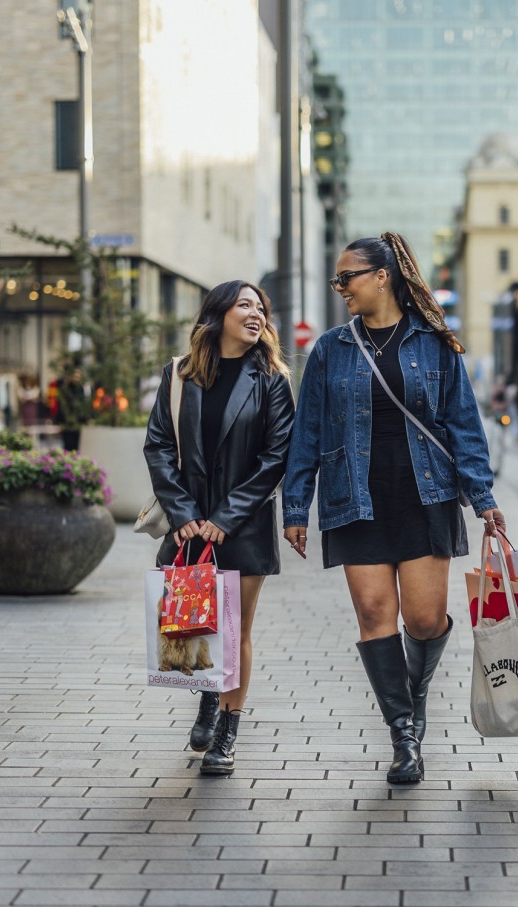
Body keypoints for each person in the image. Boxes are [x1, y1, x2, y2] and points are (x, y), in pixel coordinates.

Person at [282, 231, 504, 785]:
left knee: (425, 620)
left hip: (424, 496)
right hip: (353, 499)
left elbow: (464, 427)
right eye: (337, 280)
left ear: (382, 276)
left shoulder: (434, 343)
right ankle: (404, 734)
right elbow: (306, 432)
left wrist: (484, 500)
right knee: (374, 615)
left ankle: (413, 690)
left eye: (347, 278)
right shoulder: (331, 349)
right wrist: (294, 506)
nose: (341, 289)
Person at [143, 280, 295, 776]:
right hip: (188, 526)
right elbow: (160, 446)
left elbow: (277, 457)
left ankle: (226, 731)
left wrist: (225, 519)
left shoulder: (271, 378)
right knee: (198, 625)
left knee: (235, 630)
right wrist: (186, 516)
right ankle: (207, 698)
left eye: (261, 308)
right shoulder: (179, 376)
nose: (256, 313)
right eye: (244, 305)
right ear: (218, 314)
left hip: (243, 524)